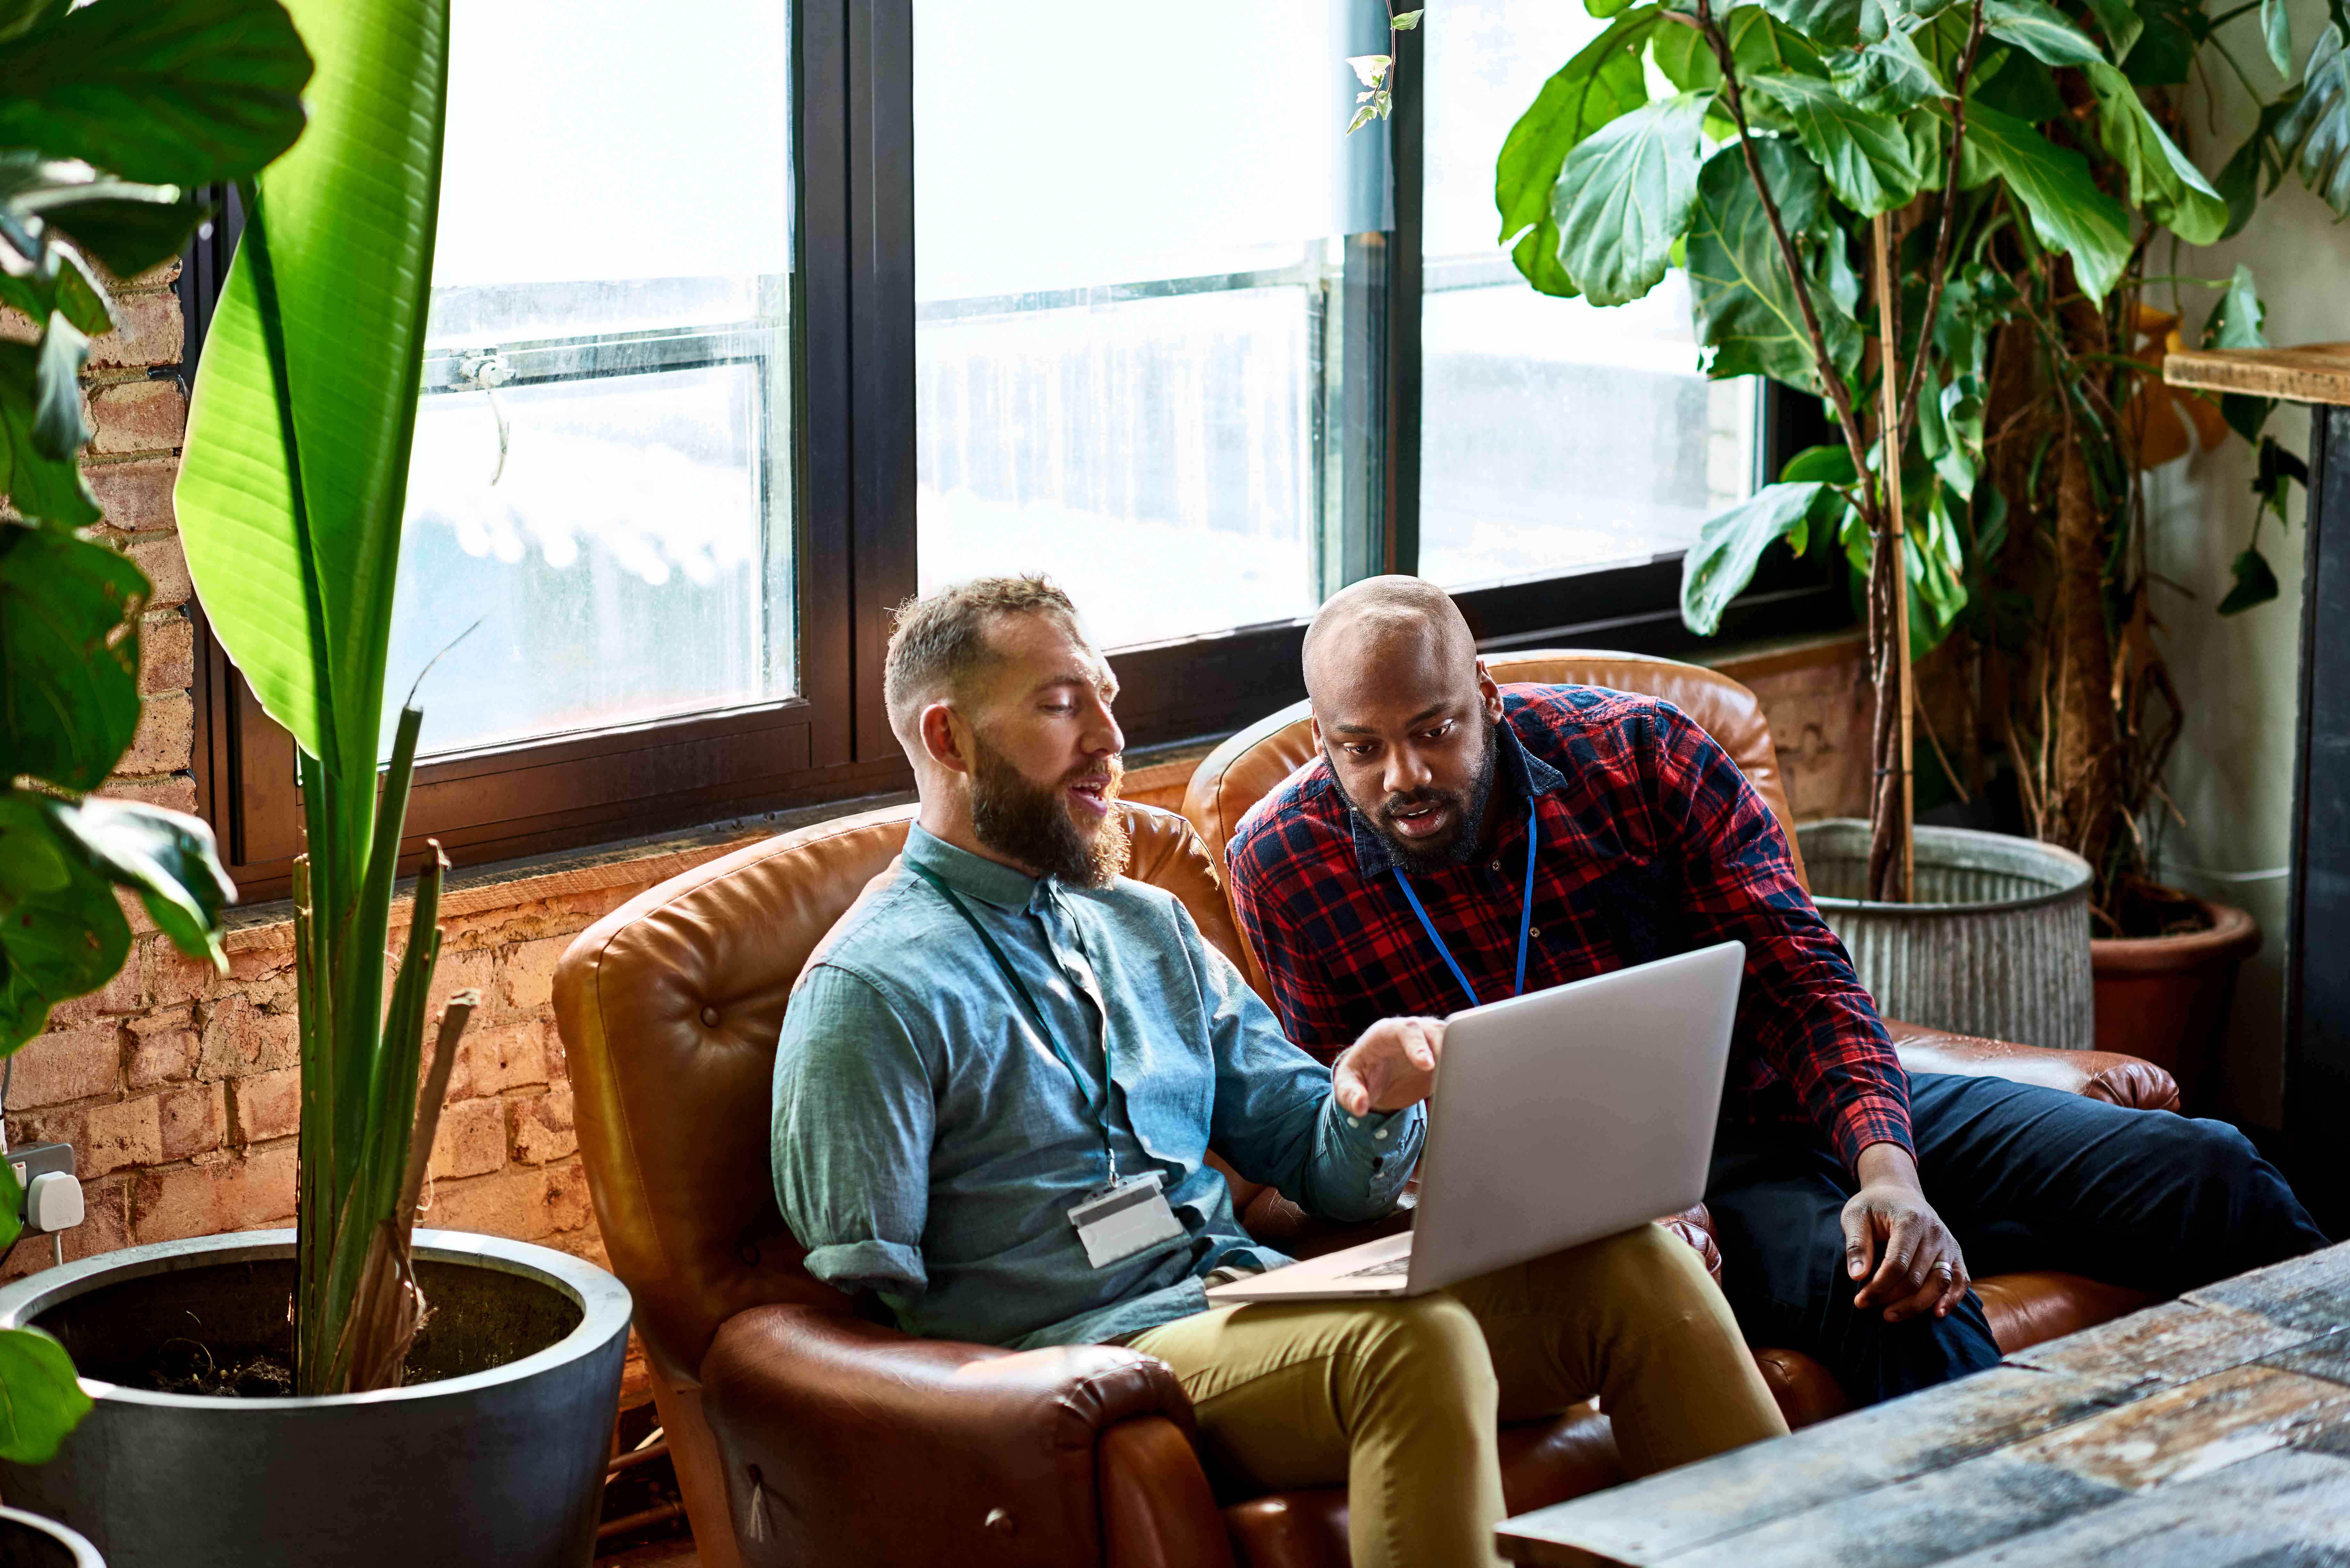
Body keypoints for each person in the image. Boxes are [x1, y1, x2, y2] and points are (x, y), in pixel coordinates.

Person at [771, 576, 1788, 1568]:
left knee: (1634, 1265)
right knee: (1413, 1346)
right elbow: (867, 1301)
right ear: (947, 738)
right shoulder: (870, 988)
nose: (1108, 742)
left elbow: (1322, 1163)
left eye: (1106, 704)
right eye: (1060, 706)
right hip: (1081, 1361)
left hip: (1246, 1304)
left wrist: (1365, 1095)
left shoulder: (1149, 925)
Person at [1223, 575, 2330, 1408]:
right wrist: (1588, 1217)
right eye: (1360, 749)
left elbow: (1805, 983)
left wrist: (1887, 1171)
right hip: (1652, 1198)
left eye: (1434, 730)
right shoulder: (1284, 861)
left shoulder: (1641, 757)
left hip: (1792, 1100)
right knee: (1898, 1308)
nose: (1404, 778)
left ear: (1489, 698)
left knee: (2210, 1171)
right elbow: (1358, 1159)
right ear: (1324, 741)